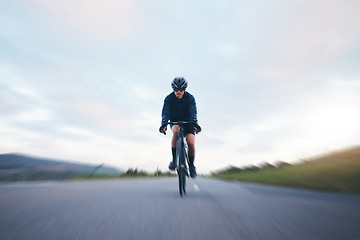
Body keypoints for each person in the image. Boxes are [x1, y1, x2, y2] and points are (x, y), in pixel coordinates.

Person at [159, 77, 201, 178]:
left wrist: (195, 123)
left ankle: (191, 166)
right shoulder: (168, 98)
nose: (178, 92)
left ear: (185, 89)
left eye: (181, 89)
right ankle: (174, 160)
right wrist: (164, 124)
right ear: (172, 89)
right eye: (176, 89)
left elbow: (192, 111)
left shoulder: (190, 98)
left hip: (188, 120)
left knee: (190, 142)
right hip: (175, 120)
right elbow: (165, 112)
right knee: (175, 130)